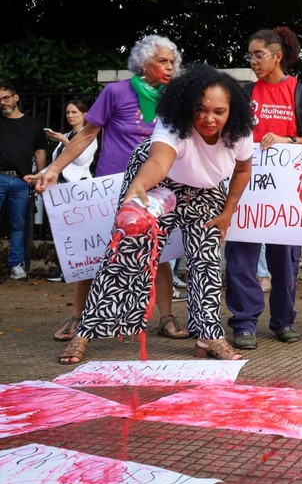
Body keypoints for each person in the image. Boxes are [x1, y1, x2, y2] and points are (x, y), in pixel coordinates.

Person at [55, 65, 254, 364]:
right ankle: (86, 330)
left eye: (219, 111)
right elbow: (159, 162)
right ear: (188, 107)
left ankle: (209, 334)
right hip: (157, 180)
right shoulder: (173, 126)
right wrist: (137, 189)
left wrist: (227, 213)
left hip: (204, 189)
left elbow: (242, 170)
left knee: (207, 259)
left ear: (231, 112)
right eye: (201, 109)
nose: (209, 119)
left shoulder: (239, 133)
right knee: (126, 254)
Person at [30, 35, 187, 341]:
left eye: (172, 62)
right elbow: (88, 134)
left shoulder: (176, 97)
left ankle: (166, 318)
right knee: (95, 254)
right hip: (111, 187)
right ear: (144, 63)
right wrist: (53, 170)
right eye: (163, 61)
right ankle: (78, 317)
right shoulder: (115, 92)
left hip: (156, 189)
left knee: (162, 253)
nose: (170, 67)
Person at [225, 27, 302, 350]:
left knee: (286, 263)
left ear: (277, 56)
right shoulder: (242, 95)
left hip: (286, 195)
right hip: (248, 190)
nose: (253, 61)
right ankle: (243, 323)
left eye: (259, 54)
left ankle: (283, 321)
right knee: (241, 260)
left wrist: (288, 140)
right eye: (250, 55)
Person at [45, 99, 99, 282]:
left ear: (85, 115)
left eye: (74, 112)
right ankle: (65, 269)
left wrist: (64, 141)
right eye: (68, 112)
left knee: (79, 232)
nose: (70, 116)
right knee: (63, 231)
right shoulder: (67, 134)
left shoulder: (89, 135)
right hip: (61, 189)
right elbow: (57, 164)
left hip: (79, 190)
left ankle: (79, 269)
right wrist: (39, 175)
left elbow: (82, 160)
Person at [0, 81, 47, 280]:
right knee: (17, 224)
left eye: (6, 97)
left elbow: (40, 151)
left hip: (22, 180)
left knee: (18, 224)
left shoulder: (34, 124)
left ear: (16, 97)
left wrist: (41, 177)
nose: (2, 102)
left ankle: (16, 265)